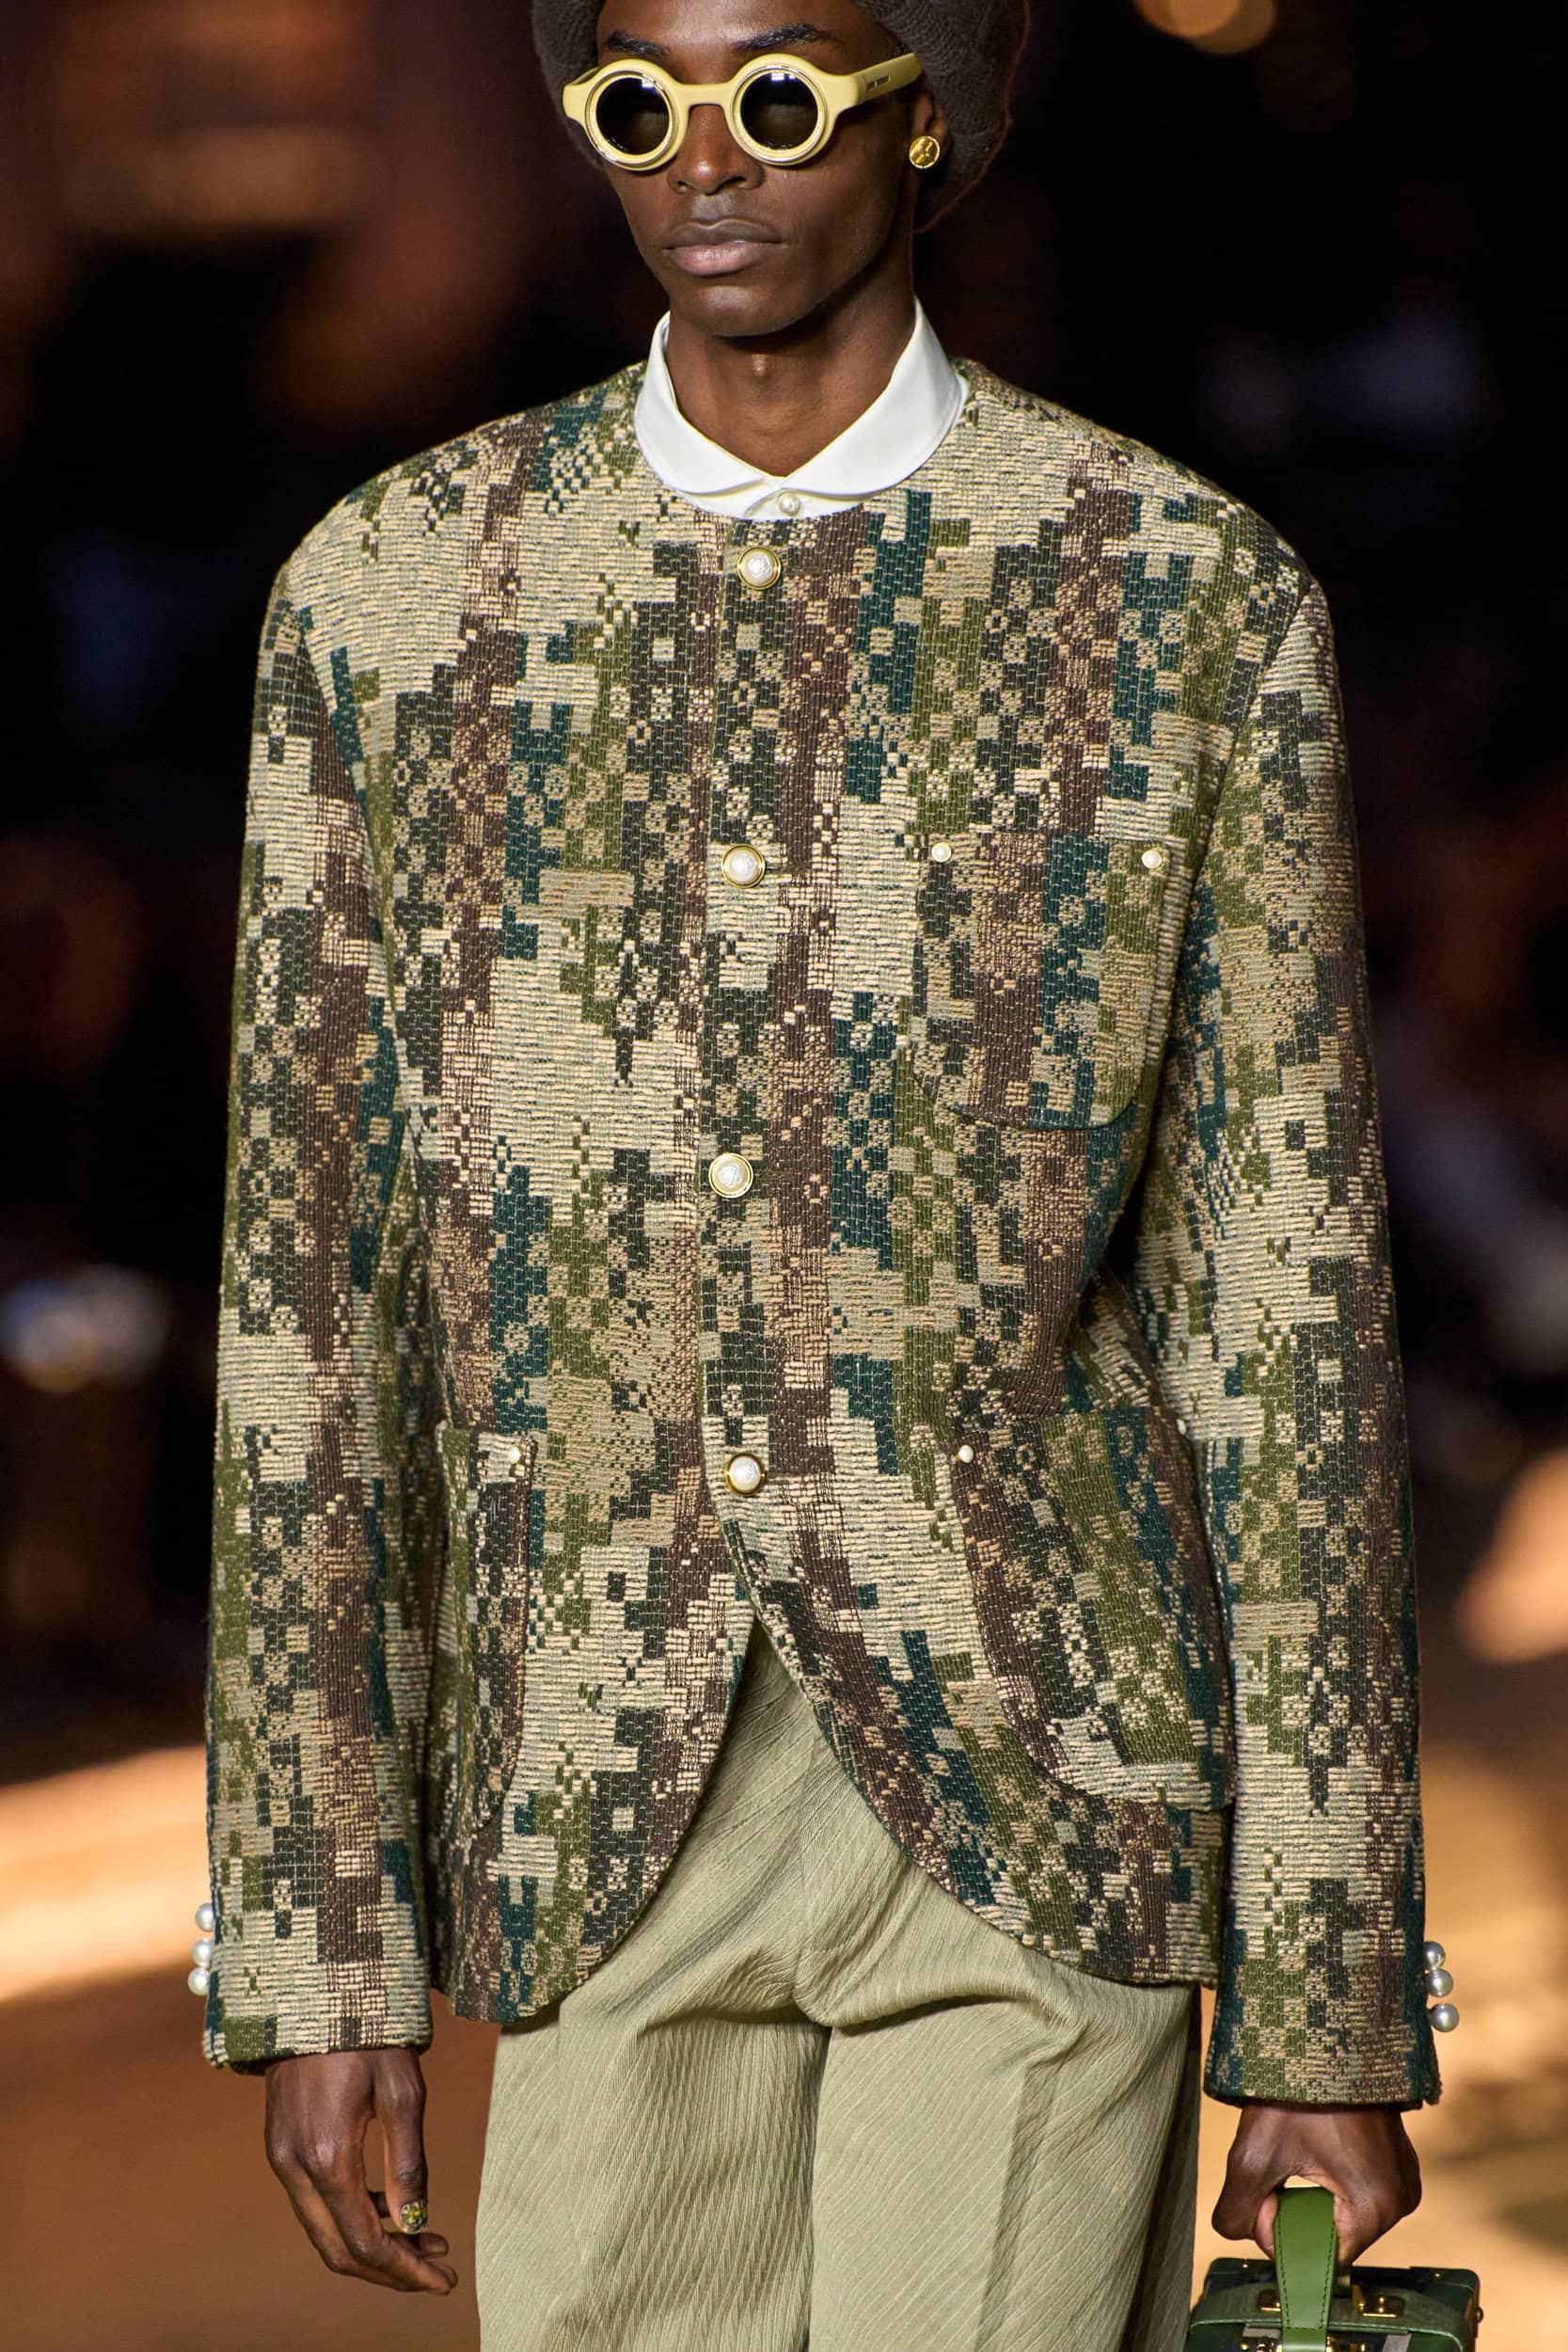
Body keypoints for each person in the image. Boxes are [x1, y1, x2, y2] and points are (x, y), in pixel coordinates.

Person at [197, 2, 1442, 2344]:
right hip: (591, 1808)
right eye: (635, 102)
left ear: (927, 111)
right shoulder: (395, 595)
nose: (705, 162)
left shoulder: (1178, 599)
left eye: (776, 95)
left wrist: (1331, 1988)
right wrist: (316, 1934)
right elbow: (310, 1304)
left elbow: (1285, 1322)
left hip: (1043, 1801)